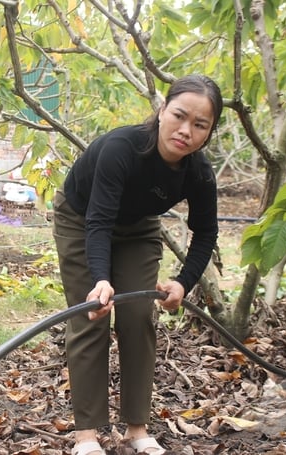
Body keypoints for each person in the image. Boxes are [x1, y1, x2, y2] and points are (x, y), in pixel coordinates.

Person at [52, 74, 223, 455]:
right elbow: (98, 221)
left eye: (200, 125)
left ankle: (136, 428)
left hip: (139, 228)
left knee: (137, 316)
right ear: (162, 109)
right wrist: (100, 279)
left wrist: (183, 282)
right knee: (92, 316)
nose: (185, 131)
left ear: (209, 132)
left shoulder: (198, 172)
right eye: (179, 115)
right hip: (81, 218)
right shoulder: (122, 147)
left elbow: (206, 234)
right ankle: (87, 435)